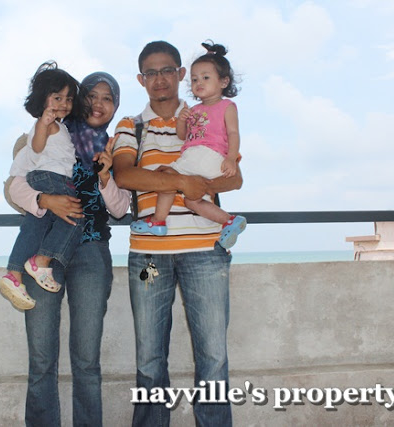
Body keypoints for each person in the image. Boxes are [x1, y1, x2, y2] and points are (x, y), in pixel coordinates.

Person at [112, 41, 243, 426]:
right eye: (151, 73)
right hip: (149, 256)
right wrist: (185, 181)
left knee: (213, 359)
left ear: (181, 73)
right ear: (141, 79)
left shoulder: (207, 114)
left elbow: (234, 179)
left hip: (205, 250)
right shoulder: (131, 125)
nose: (160, 79)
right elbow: (125, 175)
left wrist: (203, 181)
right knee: (149, 360)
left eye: (167, 70)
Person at [9, 71, 129, 426]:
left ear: (115, 106)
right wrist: (46, 200)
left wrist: (105, 177)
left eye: (108, 98)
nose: (98, 104)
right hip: (43, 255)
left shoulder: (116, 149)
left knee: (87, 362)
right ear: (78, 100)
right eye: (91, 95)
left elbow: (121, 209)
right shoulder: (43, 134)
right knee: (41, 359)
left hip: (91, 252)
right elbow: (14, 188)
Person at [129, 41, 247, 249]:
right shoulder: (194, 110)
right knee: (192, 200)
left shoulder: (226, 106)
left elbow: (233, 134)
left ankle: (158, 220)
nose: (199, 82)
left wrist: (230, 158)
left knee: (167, 177)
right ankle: (229, 221)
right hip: (196, 155)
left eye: (206, 78)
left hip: (207, 155)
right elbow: (183, 136)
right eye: (195, 79)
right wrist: (182, 120)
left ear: (224, 81)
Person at [0, 61, 87, 311]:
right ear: (43, 98)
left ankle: (13, 275)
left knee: (35, 225)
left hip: (45, 179)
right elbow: (37, 147)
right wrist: (43, 124)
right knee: (75, 217)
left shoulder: (60, 126)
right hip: (51, 178)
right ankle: (41, 261)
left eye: (68, 99)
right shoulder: (46, 124)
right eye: (57, 97)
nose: (64, 104)